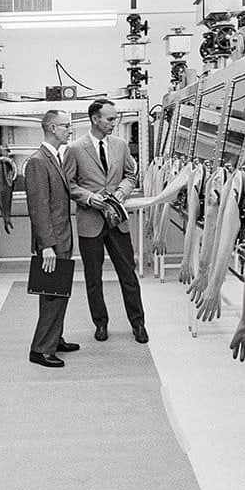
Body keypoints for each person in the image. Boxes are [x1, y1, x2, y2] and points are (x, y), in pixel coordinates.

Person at [63, 99, 148, 344]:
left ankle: (138, 324)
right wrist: (90, 199)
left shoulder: (120, 146)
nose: (114, 123)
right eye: (110, 119)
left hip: (117, 220)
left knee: (128, 274)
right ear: (94, 119)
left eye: (115, 118)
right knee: (93, 277)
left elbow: (131, 174)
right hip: (91, 221)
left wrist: (122, 191)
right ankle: (100, 323)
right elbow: (69, 184)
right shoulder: (75, 148)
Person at [24, 110, 79, 368]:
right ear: (53, 128)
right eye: (66, 126)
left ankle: (54, 338)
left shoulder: (54, 157)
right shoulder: (38, 161)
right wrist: (46, 245)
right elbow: (38, 207)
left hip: (61, 238)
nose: (69, 130)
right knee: (52, 294)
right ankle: (41, 349)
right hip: (53, 242)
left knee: (60, 291)